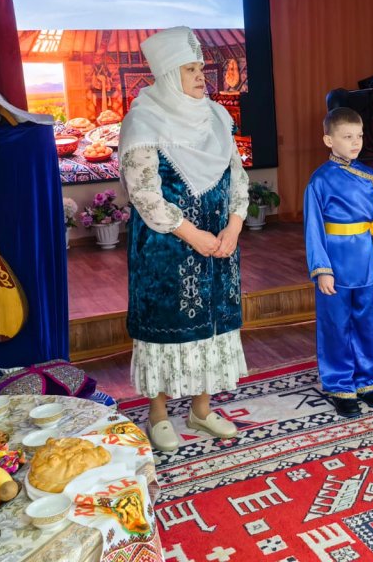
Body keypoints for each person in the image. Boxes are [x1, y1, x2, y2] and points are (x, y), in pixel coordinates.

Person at [118, 26, 249, 452]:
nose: (200, 77)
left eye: (201, 68)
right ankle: (158, 414)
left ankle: (201, 410)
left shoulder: (217, 117)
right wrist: (193, 235)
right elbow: (144, 195)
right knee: (165, 327)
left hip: (219, 245)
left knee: (211, 327)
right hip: (167, 248)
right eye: (190, 69)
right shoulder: (143, 120)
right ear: (168, 74)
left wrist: (234, 226)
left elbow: (238, 177)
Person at [303, 107, 373, 418]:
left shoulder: (371, 177)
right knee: (336, 325)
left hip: (366, 259)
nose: (356, 143)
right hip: (335, 264)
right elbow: (313, 229)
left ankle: (369, 381)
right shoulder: (320, 180)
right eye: (347, 137)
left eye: (359, 136)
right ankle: (340, 383)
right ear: (329, 140)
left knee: (368, 323)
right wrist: (322, 270)